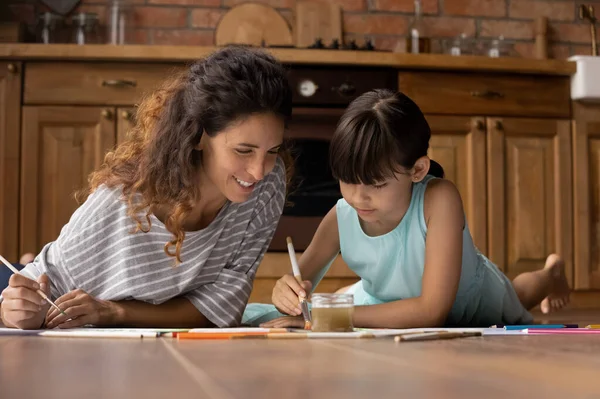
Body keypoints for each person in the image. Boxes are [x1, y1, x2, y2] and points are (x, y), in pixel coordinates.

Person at [0, 46, 293, 330]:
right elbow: (36, 294)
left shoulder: (268, 183)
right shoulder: (122, 204)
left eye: (272, 150)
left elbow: (223, 308)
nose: (258, 171)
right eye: (243, 150)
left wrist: (113, 312)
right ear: (199, 135)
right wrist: (17, 311)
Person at [260, 89, 570, 329]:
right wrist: (285, 291)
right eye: (346, 180)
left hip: (469, 301)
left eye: (376, 185)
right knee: (348, 299)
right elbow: (299, 283)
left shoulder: (440, 199)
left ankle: (552, 272)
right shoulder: (340, 217)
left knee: (519, 296)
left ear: (418, 170)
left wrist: (329, 318)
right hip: (388, 301)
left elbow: (431, 311)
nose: (357, 198)